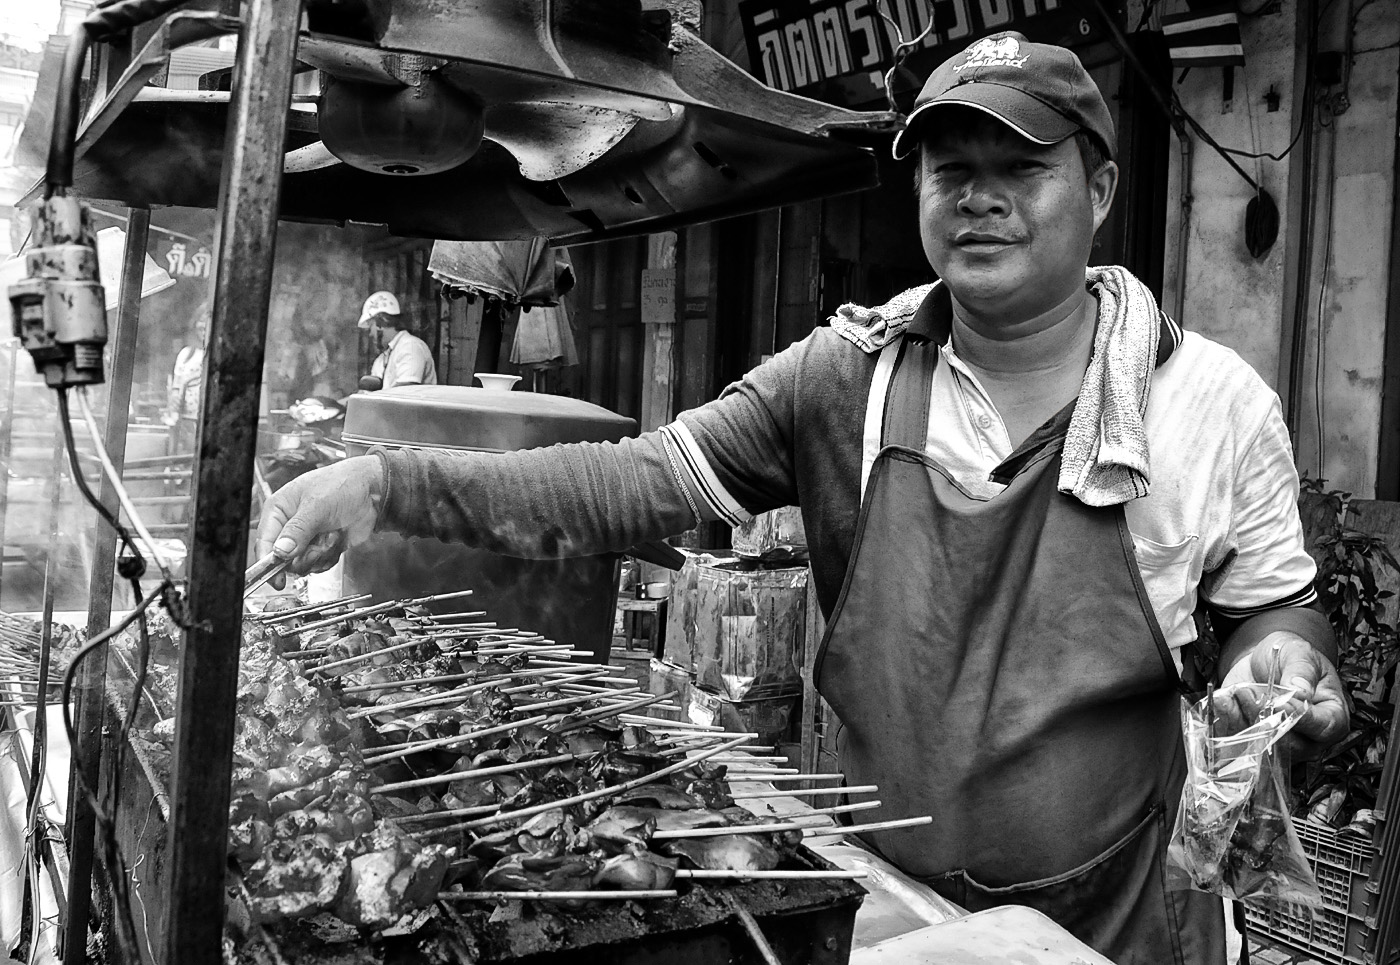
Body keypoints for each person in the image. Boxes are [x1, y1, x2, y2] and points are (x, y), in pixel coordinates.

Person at [258, 33, 1346, 964]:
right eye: (946, 167)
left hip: (1114, 920)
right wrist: (393, 478)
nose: (976, 195)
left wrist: (1279, 657)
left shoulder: (1206, 400)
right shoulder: (840, 378)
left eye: (1019, 168)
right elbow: (631, 483)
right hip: (890, 905)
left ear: (1098, 189)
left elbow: (1273, 609)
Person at [359, 291, 437, 390]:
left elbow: (404, 392)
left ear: (380, 323)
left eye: (370, 327)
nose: (370, 334)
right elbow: (367, 396)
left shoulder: (411, 347)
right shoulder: (381, 360)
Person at [164, 313, 206, 453]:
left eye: (208, 321)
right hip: (185, 419)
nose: (204, 325)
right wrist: (173, 409)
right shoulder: (186, 354)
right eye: (201, 320)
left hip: (205, 420)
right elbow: (176, 386)